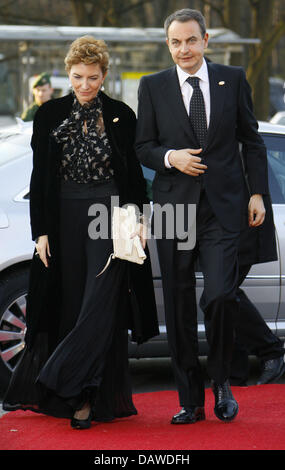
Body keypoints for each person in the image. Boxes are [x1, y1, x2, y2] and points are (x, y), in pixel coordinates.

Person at [3, 36, 158, 430]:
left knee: (101, 304)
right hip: (64, 219)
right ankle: (79, 393)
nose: (85, 84)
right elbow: (40, 178)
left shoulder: (122, 114)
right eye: (77, 77)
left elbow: (135, 177)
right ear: (67, 74)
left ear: (104, 75)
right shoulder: (48, 114)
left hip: (110, 217)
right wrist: (41, 233)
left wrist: (139, 218)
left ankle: (66, 382)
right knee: (71, 305)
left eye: (93, 77)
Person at [135, 8, 269, 423]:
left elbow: (252, 142)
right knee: (176, 306)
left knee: (221, 296)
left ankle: (222, 383)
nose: (183, 49)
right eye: (175, 42)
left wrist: (258, 193)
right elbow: (143, 148)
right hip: (174, 210)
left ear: (206, 40)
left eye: (191, 40)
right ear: (168, 44)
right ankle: (189, 400)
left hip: (222, 210)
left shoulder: (233, 80)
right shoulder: (153, 86)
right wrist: (171, 157)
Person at [230, 188, 285, 386]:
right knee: (221, 295)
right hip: (219, 220)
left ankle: (270, 350)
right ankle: (236, 373)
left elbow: (255, 159)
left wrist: (257, 195)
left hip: (245, 217)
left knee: (220, 292)